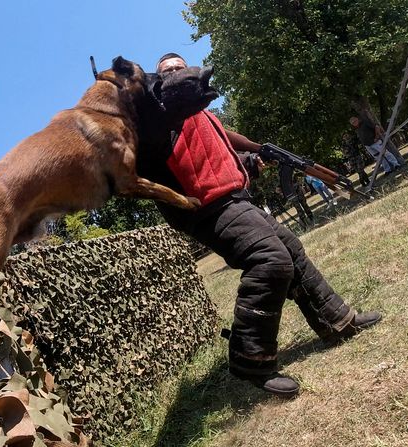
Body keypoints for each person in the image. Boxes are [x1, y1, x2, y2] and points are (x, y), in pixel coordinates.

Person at [138, 53, 382, 397]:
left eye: (182, 68)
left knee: (291, 250)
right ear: (158, 82)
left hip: (236, 200)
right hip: (206, 209)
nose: (179, 74)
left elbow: (221, 159)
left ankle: (337, 321)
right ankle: (249, 360)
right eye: (168, 72)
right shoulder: (159, 121)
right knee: (270, 259)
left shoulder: (207, 118)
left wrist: (250, 162)